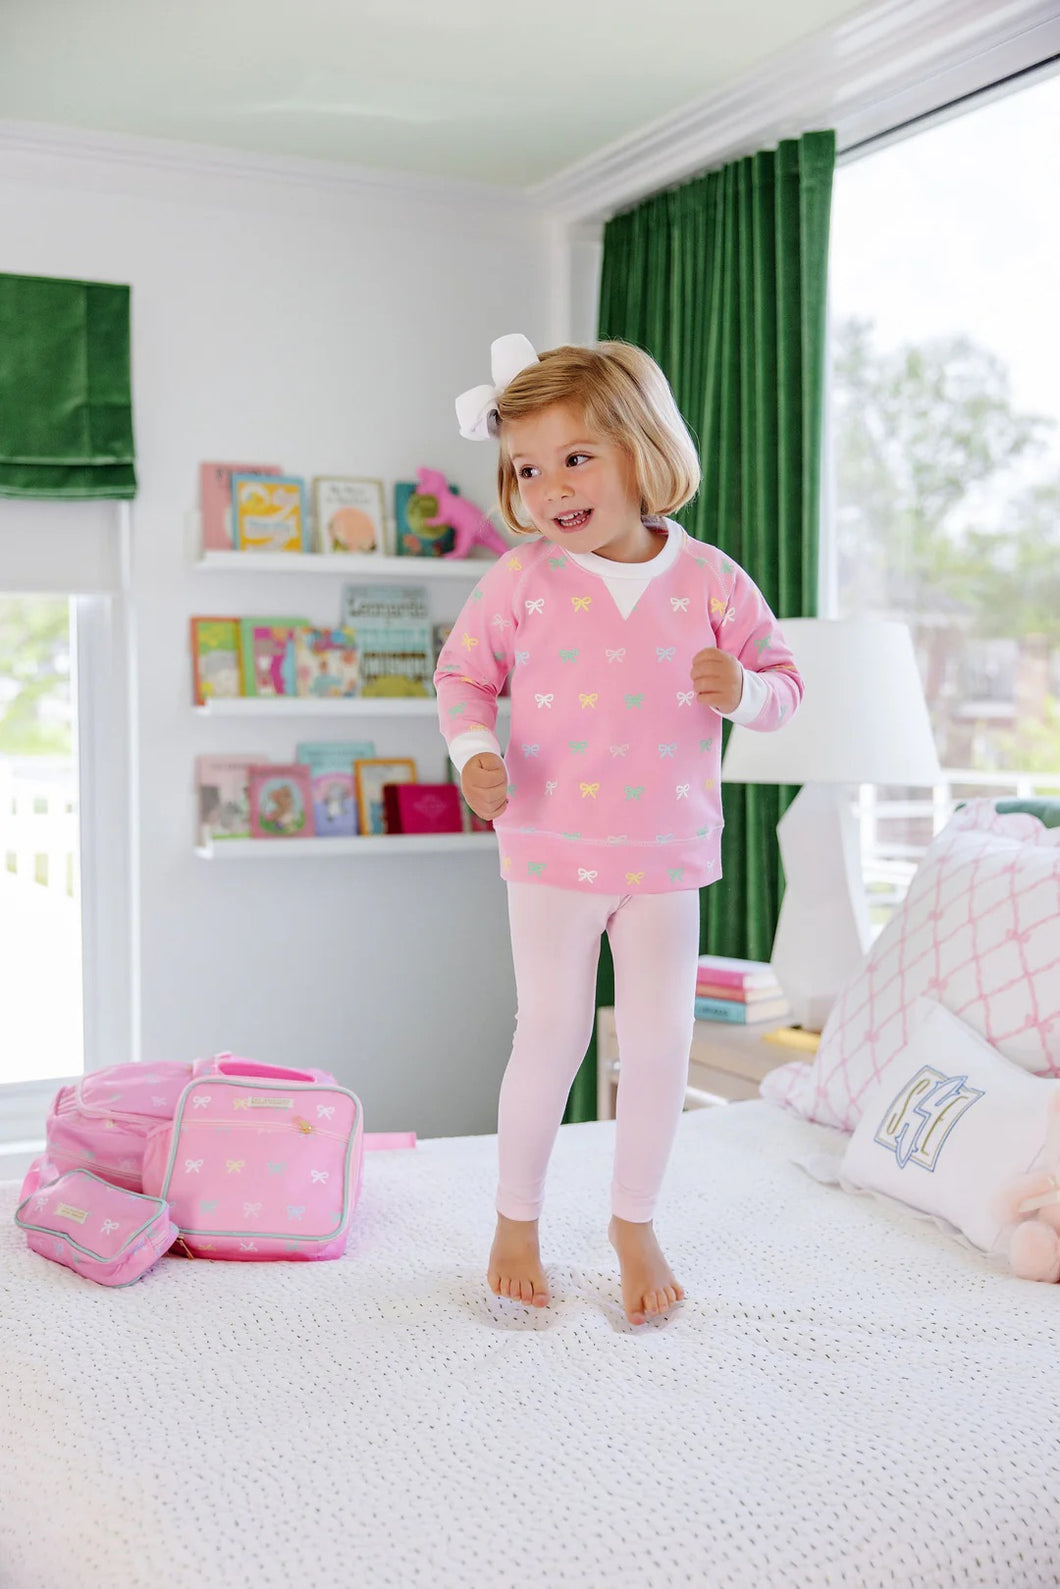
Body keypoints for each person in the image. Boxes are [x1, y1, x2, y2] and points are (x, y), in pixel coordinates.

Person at [434, 334, 804, 1326]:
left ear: (644, 450)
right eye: (526, 468)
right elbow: (461, 675)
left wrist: (746, 692)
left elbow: (785, 685)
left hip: (666, 855)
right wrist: (473, 749)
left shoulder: (712, 579)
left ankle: (633, 1220)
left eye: (575, 457)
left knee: (660, 1043)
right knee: (550, 1035)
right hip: (550, 848)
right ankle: (515, 1219)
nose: (551, 486)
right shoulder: (521, 580)